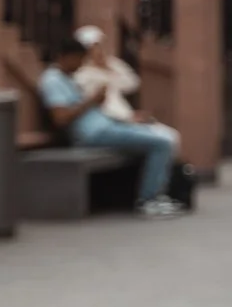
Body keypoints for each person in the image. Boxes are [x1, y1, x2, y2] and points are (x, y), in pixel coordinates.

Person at [39, 33, 185, 217]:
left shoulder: (67, 78)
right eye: (79, 60)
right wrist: (91, 101)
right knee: (161, 143)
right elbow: (60, 117)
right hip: (93, 134)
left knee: (163, 135)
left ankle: (157, 195)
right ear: (66, 57)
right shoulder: (52, 80)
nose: (81, 64)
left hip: (107, 126)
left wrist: (123, 117)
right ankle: (149, 200)